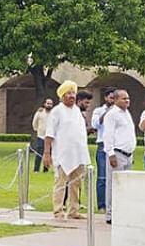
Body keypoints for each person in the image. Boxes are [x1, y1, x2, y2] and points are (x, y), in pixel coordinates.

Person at [44, 81, 91, 220]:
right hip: (63, 154)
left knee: (76, 184)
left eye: (73, 93)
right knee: (60, 183)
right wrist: (47, 153)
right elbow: (49, 134)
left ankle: (73, 211)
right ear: (62, 96)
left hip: (78, 154)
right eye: (68, 93)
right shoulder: (57, 111)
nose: (72, 96)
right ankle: (58, 211)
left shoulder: (77, 110)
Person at [101, 89, 135, 224]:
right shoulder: (112, 114)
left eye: (128, 98)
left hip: (128, 154)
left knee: (125, 184)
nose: (127, 100)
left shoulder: (126, 113)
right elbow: (108, 135)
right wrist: (111, 154)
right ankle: (110, 214)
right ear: (115, 100)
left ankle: (122, 210)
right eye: (123, 98)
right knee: (113, 184)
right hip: (117, 153)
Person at [90, 87, 116, 211]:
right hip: (103, 145)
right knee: (102, 176)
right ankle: (101, 204)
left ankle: (114, 203)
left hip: (116, 146)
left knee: (115, 176)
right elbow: (95, 124)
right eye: (111, 98)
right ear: (105, 98)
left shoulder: (121, 112)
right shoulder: (99, 110)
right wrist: (109, 112)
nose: (113, 100)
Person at [30, 98, 52, 172]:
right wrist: (37, 130)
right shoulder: (40, 112)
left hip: (50, 137)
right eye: (48, 103)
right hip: (41, 136)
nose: (49, 105)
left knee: (48, 153)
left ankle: (46, 169)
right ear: (44, 104)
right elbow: (34, 123)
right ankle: (36, 169)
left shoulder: (53, 113)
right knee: (39, 153)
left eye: (50, 104)